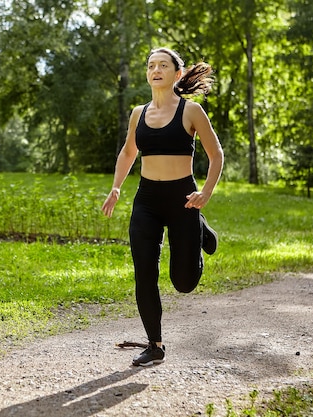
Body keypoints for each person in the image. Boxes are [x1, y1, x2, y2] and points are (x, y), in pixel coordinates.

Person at [101, 47, 224, 367]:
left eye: (163, 65)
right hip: (147, 201)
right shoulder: (137, 113)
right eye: (150, 65)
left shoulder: (191, 111)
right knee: (144, 272)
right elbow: (128, 153)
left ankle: (199, 226)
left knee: (183, 283)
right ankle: (155, 345)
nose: (155, 70)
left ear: (177, 74)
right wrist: (116, 187)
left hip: (184, 200)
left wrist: (205, 194)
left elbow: (216, 155)